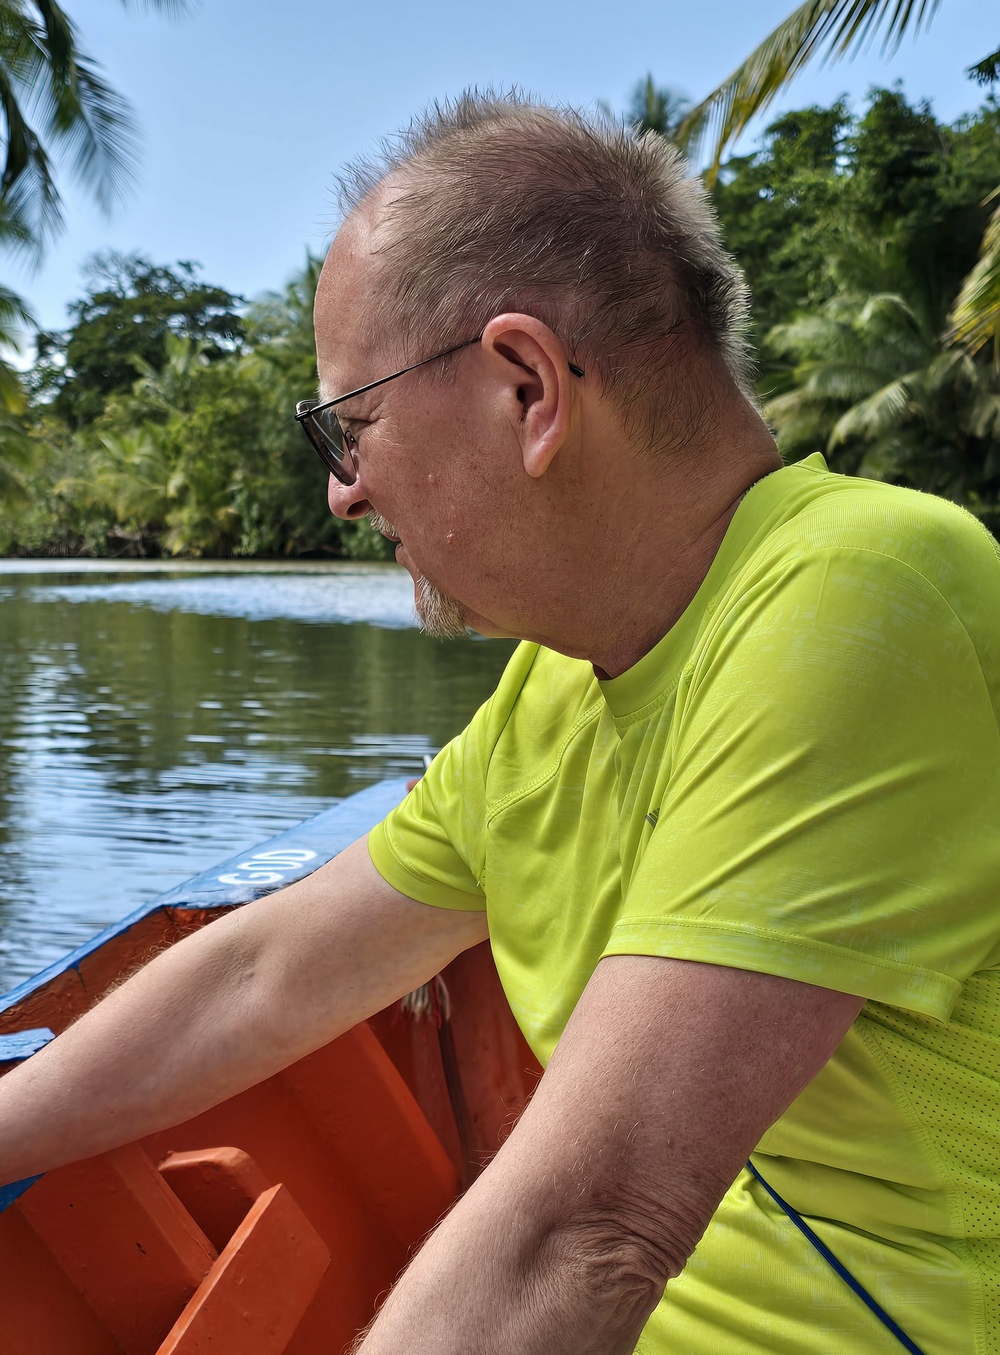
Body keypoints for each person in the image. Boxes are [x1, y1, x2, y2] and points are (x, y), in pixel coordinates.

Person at [2, 94, 999, 1354]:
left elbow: (587, 1229)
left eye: (351, 425)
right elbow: (268, 970)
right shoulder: (561, 681)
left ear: (526, 386)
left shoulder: (863, 592)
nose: (343, 490)